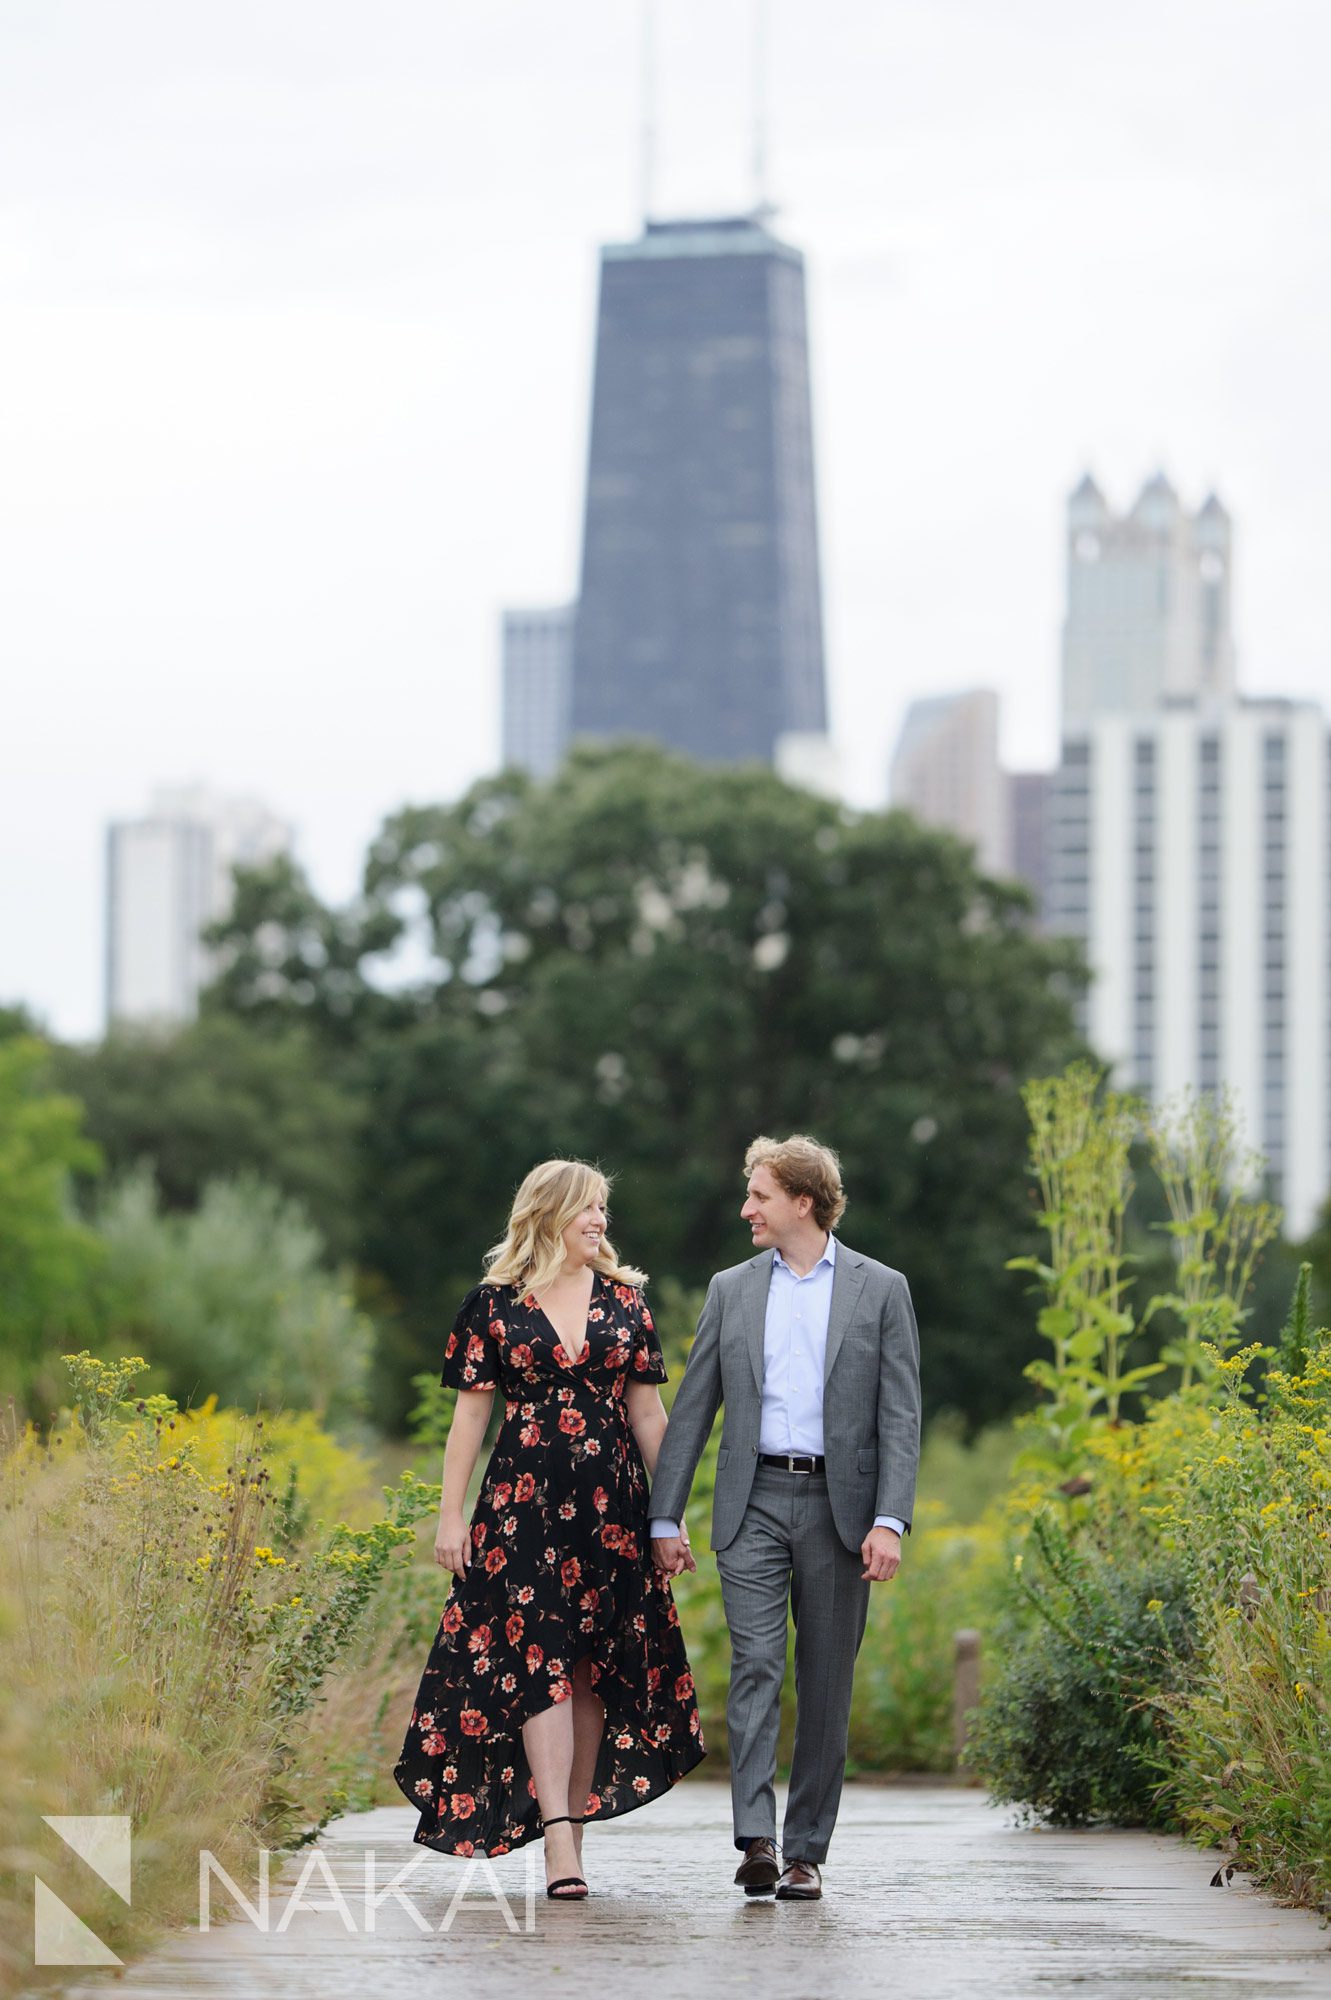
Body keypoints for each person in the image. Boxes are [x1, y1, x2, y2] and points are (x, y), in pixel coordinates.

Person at [393, 1159, 704, 1900]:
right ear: (548, 1213)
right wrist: (450, 1515)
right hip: (521, 1507)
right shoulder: (492, 1304)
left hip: (614, 1513)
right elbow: (469, 1417)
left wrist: (672, 1514)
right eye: (588, 1208)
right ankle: (558, 1842)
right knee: (541, 1663)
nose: (600, 1220)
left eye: (604, 1208)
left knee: (592, 1667)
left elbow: (648, 1416)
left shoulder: (627, 1301)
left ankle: (572, 1831)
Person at [649, 1134, 920, 1903]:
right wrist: (663, 1517)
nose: (746, 1209)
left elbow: (900, 1416)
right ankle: (757, 1841)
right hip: (752, 1503)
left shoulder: (881, 1288)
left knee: (826, 1682)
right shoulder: (731, 1289)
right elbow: (694, 1408)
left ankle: (806, 1851)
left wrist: (890, 1520)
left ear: (803, 1200)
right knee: (757, 1666)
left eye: (759, 1195)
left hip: (843, 1510)